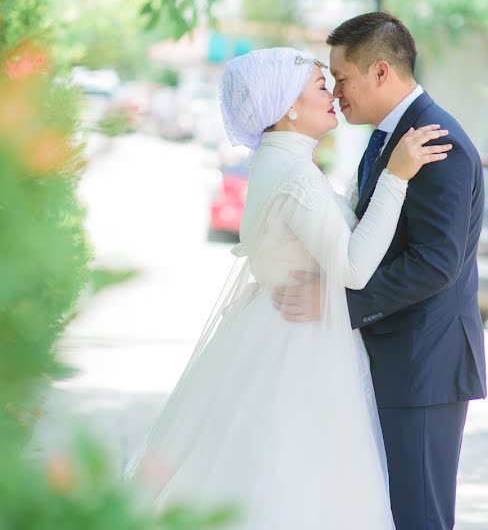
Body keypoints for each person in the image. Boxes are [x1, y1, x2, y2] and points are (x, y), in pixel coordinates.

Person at [126, 46, 451, 529]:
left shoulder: (279, 167)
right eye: (322, 87)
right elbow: (354, 268)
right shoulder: (296, 176)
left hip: (278, 335)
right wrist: (396, 178)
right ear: (287, 108)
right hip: (300, 352)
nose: (334, 96)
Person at [272, 12, 487, 530]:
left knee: (419, 517)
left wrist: (334, 306)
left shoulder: (439, 143)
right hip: (393, 360)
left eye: (341, 78)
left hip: (424, 367)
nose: (337, 93)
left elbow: (436, 263)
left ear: (381, 72)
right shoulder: (387, 138)